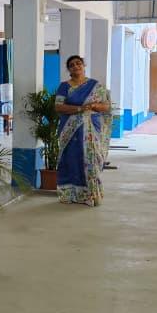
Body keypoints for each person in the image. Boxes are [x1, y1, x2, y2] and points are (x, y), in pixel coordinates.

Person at [55, 55, 113, 205]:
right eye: (72, 65)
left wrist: (94, 106)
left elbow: (106, 106)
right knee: (71, 159)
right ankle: (70, 194)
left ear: (83, 65)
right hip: (70, 130)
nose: (76, 66)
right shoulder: (64, 86)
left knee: (91, 159)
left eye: (78, 63)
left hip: (91, 129)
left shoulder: (96, 86)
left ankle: (92, 194)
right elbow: (59, 107)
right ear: (69, 70)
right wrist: (80, 108)